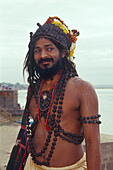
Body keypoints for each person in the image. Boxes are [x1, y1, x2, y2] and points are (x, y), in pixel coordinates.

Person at [7, 16, 101, 170]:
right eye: (37, 50)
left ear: (63, 52)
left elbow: (92, 142)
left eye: (49, 48)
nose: (43, 55)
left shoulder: (83, 89)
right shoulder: (34, 88)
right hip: (32, 165)